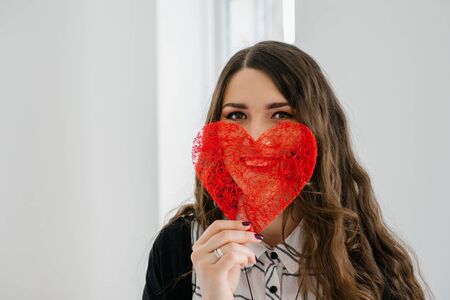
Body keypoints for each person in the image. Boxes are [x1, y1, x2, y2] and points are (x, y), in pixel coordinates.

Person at [142, 41, 430, 300]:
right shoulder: (178, 249)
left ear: (316, 129)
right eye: (236, 116)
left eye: (281, 115)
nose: (255, 136)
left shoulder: (367, 256)